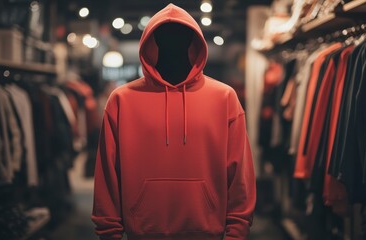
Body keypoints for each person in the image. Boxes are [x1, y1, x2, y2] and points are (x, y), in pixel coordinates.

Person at [92, 4, 256, 240]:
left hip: (208, 232)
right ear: (151, 43)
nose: (173, 44)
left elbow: (240, 174)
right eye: (165, 37)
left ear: (194, 42)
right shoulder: (122, 100)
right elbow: (107, 174)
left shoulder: (224, 97)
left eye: (181, 36)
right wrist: (110, 233)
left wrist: (237, 231)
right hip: (142, 232)